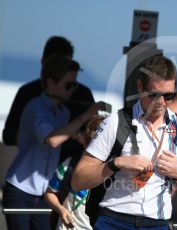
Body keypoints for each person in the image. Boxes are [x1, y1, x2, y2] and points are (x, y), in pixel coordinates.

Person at [71, 55, 177, 230]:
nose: (161, 103)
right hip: (114, 221)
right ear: (140, 87)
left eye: (169, 96)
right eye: (154, 95)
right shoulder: (115, 122)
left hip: (158, 223)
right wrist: (115, 164)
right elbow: (78, 181)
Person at [3, 56, 104, 230]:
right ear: (50, 83)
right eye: (68, 85)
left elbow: (68, 136)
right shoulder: (35, 108)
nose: (73, 90)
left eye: (75, 85)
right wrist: (86, 115)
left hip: (44, 192)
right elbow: (52, 140)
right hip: (20, 189)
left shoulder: (63, 112)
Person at [2, 35, 95, 163]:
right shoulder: (29, 96)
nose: (71, 89)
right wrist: (35, 135)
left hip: (68, 172)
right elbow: (8, 135)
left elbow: (93, 135)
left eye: (65, 66)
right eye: (55, 66)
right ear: (43, 63)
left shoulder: (82, 95)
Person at [44, 115, 105, 230]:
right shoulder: (70, 165)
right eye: (91, 144)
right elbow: (49, 193)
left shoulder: (117, 172)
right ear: (84, 144)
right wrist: (61, 209)